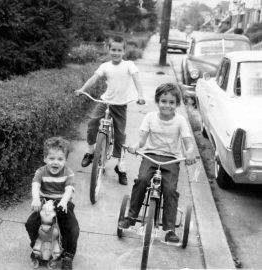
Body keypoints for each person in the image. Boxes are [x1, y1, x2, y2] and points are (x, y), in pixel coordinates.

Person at [118, 83, 196, 243]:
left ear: (177, 104)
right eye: (163, 101)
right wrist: (134, 146)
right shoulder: (150, 117)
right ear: (157, 101)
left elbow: (188, 142)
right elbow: (141, 140)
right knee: (142, 180)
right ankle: (131, 217)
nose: (167, 105)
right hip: (150, 156)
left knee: (170, 189)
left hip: (172, 159)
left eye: (171, 102)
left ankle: (169, 229)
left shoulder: (180, 121)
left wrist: (189, 152)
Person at [75, 35, 145, 185]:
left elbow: (136, 78)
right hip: (106, 102)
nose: (115, 52)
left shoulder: (129, 65)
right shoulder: (105, 66)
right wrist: (82, 89)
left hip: (120, 105)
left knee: (120, 135)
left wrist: (140, 95)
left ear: (123, 51)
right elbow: (94, 78)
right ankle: (90, 151)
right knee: (93, 122)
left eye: (119, 50)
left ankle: (121, 166)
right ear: (108, 49)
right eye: (113, 49)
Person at [25, 137, 80, 270]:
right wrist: (36, 199)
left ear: (65, 160)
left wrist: (64, 202)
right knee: (30, 223)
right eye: (52, 158)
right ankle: (36, 245)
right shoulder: (40, 171)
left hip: (62, 203)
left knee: (72, 228)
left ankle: (68, 255)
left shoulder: (68, 173)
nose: (56, 162)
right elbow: (35, 185)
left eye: (60, 159)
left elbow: (69, 190)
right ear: (45, 158)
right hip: (44, 203)